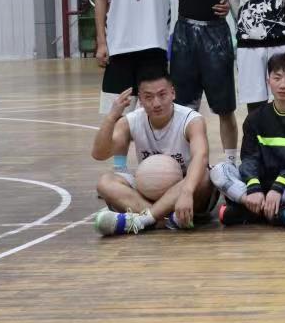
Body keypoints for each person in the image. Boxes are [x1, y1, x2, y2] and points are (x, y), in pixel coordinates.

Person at [167, 0, 241, 165]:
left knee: (225, 107)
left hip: (216, 33)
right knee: (184, 107)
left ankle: (231, 162)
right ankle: (187, 162)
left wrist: (231, 2)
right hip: (184, 34)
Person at [211, 51, 285, 229]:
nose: (282, 85)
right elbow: (249, 158)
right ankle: (278, 213)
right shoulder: (255, 118)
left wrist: (278, 187)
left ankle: (248, 212)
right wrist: (254, 187)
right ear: (268, 81)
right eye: (277, 78)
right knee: (219, 170)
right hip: (261, 184)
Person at [90, 72, 213, 235]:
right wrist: (112, 117)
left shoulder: (191, 120)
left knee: (203, 176)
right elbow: (99, 154)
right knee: (105, 182)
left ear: (173, 93)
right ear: (140, 100)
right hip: (148, 192)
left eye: (162, 95)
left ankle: (143, 220)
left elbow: (201, 156)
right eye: (148, 97)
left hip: (183, 191)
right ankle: (164, 220)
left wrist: (187, 191)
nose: (156, 103)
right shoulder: (131, 120)